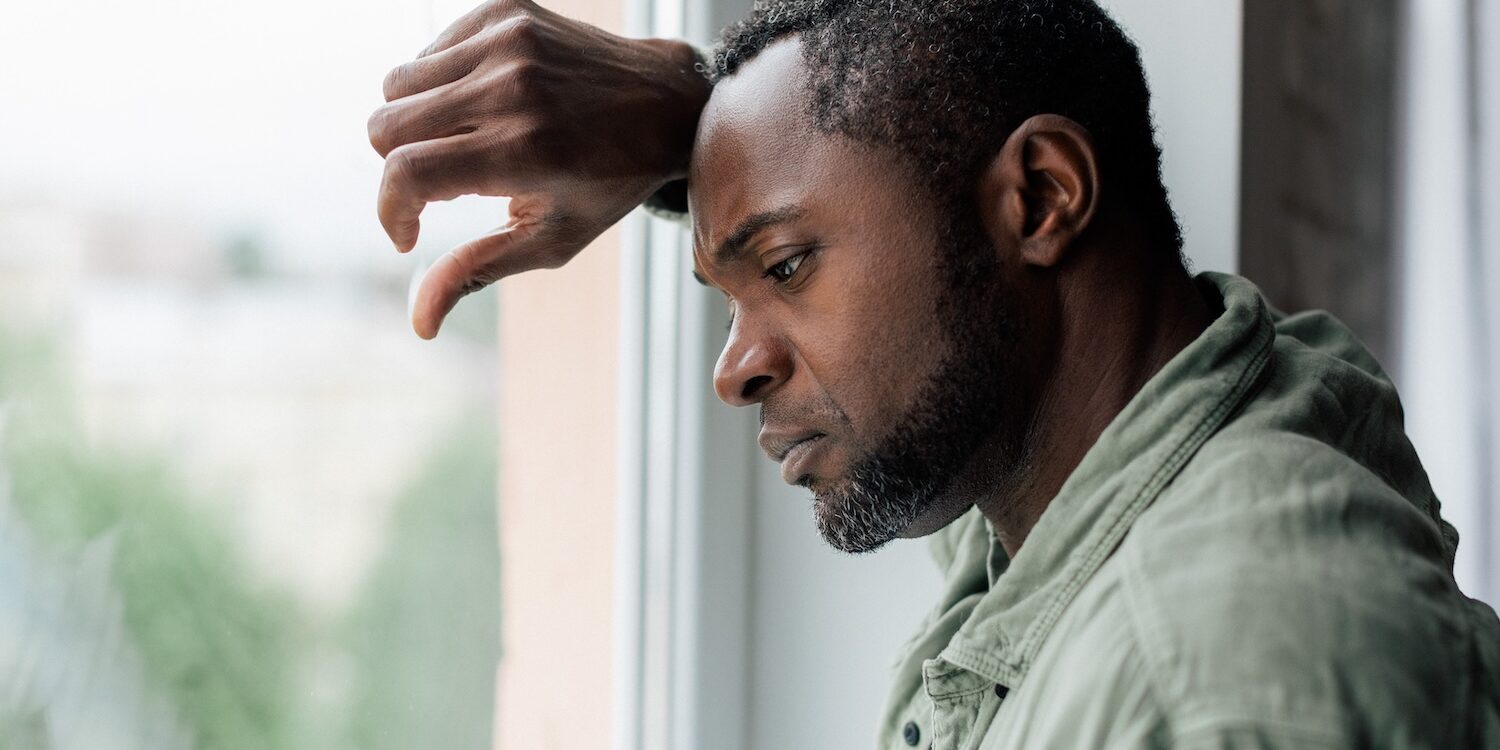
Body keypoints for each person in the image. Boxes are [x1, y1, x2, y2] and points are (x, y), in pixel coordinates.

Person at [367, 0, 1500, 746]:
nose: (735, 368)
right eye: (729, 295)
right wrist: (690, 121)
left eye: (787, 265)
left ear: (1041, 198)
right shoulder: (1111, 461)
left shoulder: (1221, 676)